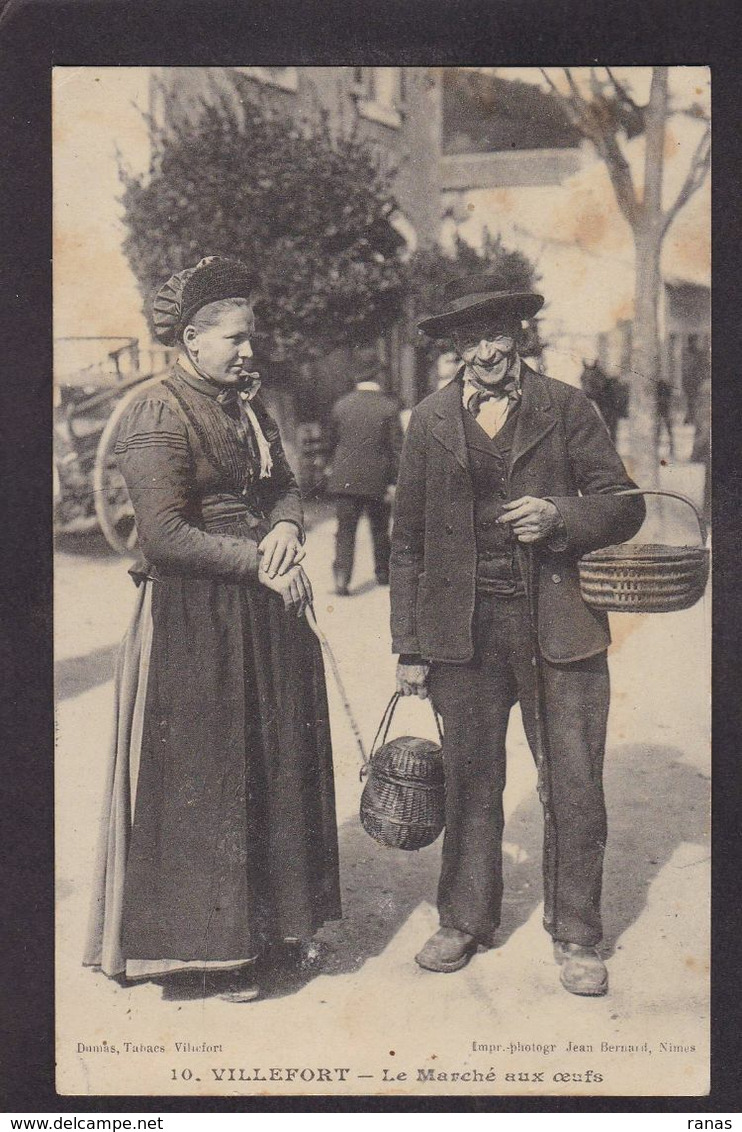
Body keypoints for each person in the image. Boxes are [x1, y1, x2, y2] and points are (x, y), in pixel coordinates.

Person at [84, 257, 341, 1001]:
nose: (248, 351)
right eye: (234, 338)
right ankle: (212, 954)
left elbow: (287, 486)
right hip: (198, 620)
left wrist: (289, 528)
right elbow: (161, 535)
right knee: (212, 779)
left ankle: (276, 932)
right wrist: (256, 556)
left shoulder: (249, 410)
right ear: (192, 340)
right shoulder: (157, 413)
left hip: (266, 611)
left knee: (273, 768)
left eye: (251, 338)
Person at [390, 276, 645, 997]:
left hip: (559, 624)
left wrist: (560, 515)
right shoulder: (429, 420)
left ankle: (577, 934)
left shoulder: (567, 407)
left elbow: (623, 506)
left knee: (572, 782)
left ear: (519, 337)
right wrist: (410, 645)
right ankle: (465, 919)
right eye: (466, 339)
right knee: (472, 779)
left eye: (494, 334)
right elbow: (406, 541)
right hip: (461, 633)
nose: (482, 351)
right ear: (454, 348)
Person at [325, 348, 403, 595]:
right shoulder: (389, 407)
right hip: (377, 480)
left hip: (344, 479)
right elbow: (396, 448)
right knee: (380, 528)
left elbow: (331, 442)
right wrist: (394, 481)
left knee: (345, 530)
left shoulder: (341, 405)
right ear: (378, 376)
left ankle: (342, 578)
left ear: (356, 377)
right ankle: (383, 573)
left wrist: (331, 467)